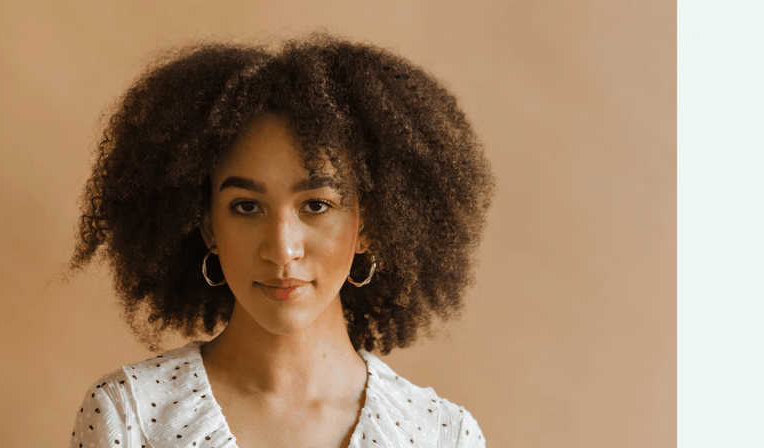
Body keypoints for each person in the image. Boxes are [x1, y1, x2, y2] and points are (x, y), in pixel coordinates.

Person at [66, 33, 494, 448]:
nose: (282, 248)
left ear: (368, 225)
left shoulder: (442, 435)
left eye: (317, 205)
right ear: (207, 224)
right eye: (247, 207)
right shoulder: (129, 416)